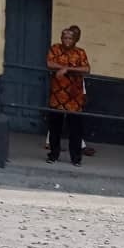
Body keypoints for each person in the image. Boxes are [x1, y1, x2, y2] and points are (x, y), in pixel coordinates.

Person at [46, 27, 90, 167]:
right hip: (57, 95)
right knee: (55, 129)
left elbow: (86, 69)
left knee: (75, 130)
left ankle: (76, 158)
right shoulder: (55, 49)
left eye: (70, 38)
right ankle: (53, 155)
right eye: (64, 37)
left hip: (74, 97)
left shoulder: (80, 53)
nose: (67, 40)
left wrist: (66, 69)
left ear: (75, 40)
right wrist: (61, 67)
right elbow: (49, 63)